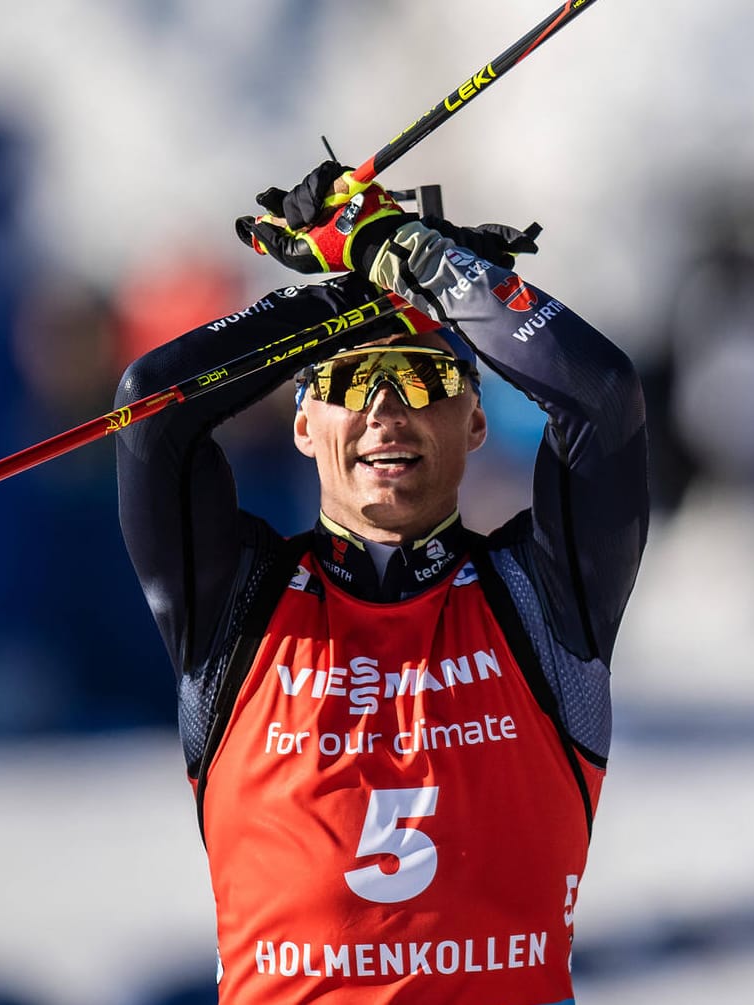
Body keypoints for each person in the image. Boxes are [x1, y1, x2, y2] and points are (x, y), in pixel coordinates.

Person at [114, 161, 649, 1004]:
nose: (385, 411)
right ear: (302, 422)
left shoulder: (541, 596)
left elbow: (602, 397)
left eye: (424, 378)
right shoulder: (236, 602)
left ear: (475, 420)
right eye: (349, 381)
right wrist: (352, 291)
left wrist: (395, 247)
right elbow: (152, 406)